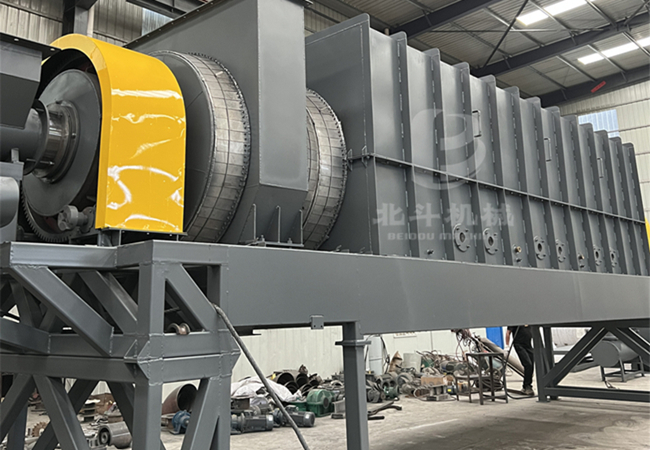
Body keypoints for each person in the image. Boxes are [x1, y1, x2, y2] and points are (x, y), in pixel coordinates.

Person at [506, 325, 535, 396]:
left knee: (531, 365)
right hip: (519, 345)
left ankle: (527, 386)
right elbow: (508, 333)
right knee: (528, 364)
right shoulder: (516, 321)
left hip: (528, 345)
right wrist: (507, 346)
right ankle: (527, 386)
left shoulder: (530, 321)